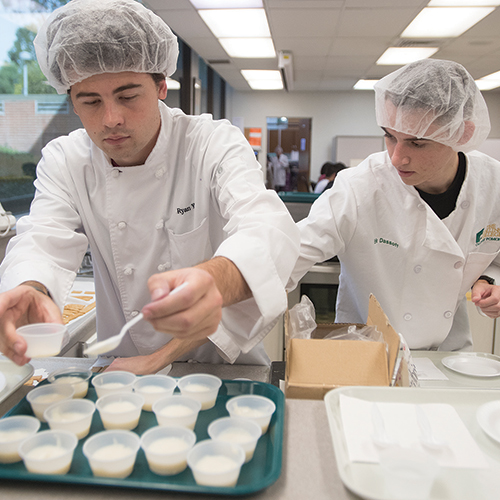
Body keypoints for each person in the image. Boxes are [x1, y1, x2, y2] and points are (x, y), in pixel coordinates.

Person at [0, 0, 300, 373]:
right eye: (90, 101)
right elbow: (42, 239)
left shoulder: (211, 143)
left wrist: (213, 279)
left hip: (222, 370)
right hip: (118, 370)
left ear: (161, 86)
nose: (111, 119)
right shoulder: (66, 160)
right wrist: (32, 288)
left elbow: (266, 229)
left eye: (128, 96)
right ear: (72, 103)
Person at [289, 59, 500, 352]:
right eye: (390, 136)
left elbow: (493, 259)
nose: (397, 158)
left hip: (447, 358)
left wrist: (490, 281)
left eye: (417, 143)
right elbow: (293, 251)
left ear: (461, 134)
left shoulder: (493, 184)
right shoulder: (360, 186)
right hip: (366, 355)